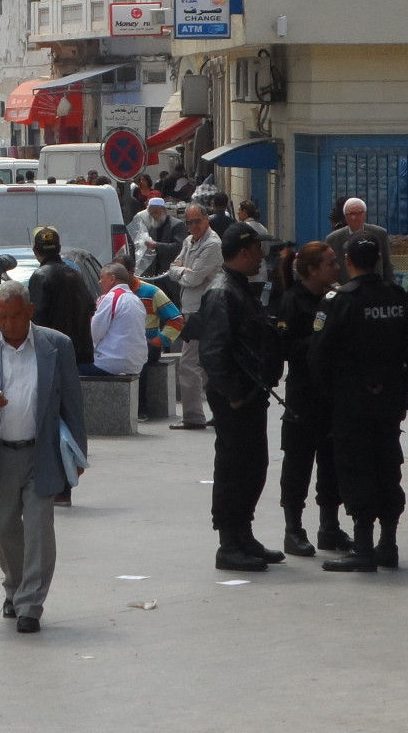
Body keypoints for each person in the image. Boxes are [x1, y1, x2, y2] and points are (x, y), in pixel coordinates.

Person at [0, 280, 87, 634]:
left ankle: (30, 605)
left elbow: (72, 403)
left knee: (40, 532)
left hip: (40, 453)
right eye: (0, 317)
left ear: (29, 312)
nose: (8, 324)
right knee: (2, 531)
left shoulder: (56, 346)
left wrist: (79, 455)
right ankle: (14, 587)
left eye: (14, 316)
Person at [308, 238, 408, 572]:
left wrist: (330, 396)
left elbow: (318, 354)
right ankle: (389, 543)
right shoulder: (396, 298)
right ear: (380, 259)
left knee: (356, 469)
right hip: (388, 403)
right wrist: (401, 397)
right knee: (387, 467)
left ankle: (364, 546)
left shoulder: (339, 300)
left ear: (348, 260)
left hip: (351, 403)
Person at [201, 222, 285, 572]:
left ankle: (243, 533)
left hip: (251, 395)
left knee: (253, 466)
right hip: (236, 398)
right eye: (258, 251)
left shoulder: (240, 288)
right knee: (235, 468)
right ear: (245, 251)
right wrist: (235, 395)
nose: (263, 258)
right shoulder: (223, 291)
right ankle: (229, 542)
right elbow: (214, 352)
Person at [273, 241, 348, 558]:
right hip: (304, 396)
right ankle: (294, 530)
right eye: (330, 263)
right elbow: (286, 346)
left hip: (331, 395)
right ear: (312, 270)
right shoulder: (293, 302)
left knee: (331, 464)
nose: (336, 268)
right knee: (298, 466)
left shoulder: (335, 299)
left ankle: (329, 527)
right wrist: (320, 344)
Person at [168, 205, 222, 430]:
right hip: (192, 308)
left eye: (197, 221)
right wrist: (183, 271)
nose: (193, 226)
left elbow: (192, 279)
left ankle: (193, 416)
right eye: (189, 222)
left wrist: (182, 271)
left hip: (203, 310)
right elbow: (173, 267)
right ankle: (220, 410)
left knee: (189, 363)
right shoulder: (189, 241)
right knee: (207, 363)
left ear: (206, 219)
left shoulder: (212, 244)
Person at [25, 227, 93, 369]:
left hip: (53, 355)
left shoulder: (40, 276)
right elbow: (90, 307)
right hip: (80, 354)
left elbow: (36, 318)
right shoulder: (75, 274)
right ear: (59, 249)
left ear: (35, 251)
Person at [324, 198, 395, 283]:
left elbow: (387, 264)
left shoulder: (379, 233)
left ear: (365, 214)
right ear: (345, 216)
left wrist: (389, 287)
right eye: (350, 214)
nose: (354, 217)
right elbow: (329, 268)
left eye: (358, 213)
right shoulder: (333, 239)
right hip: (345, 289)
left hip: (375, 287)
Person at [131, 197, 186, 278]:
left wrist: (156, 245)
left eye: (156, 212)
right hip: (156, 273)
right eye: (151, 214)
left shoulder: (177, 225)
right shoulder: (153, 226)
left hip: (171, 272)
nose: (153, 216)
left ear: (164, 210)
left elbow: (179, 247)